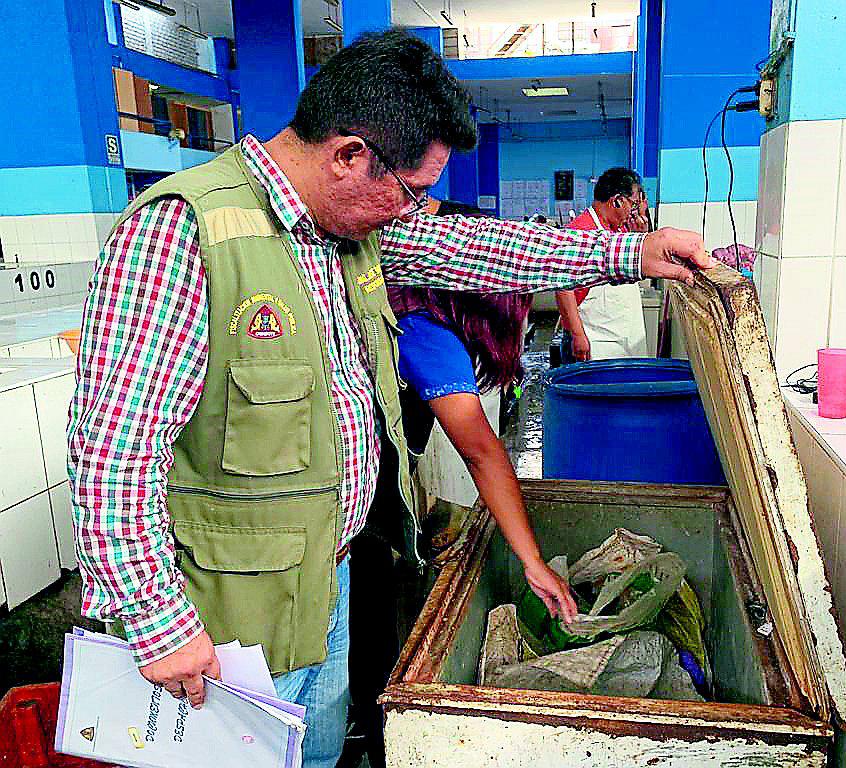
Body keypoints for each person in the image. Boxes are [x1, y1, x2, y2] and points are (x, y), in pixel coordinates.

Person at [67, 30, 709, 768]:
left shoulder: (342, 235)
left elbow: (482, 250)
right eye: (411, 191)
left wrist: (627, 251)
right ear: (348, 154)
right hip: (222, 618)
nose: (415, 212)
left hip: (321, 582)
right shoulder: (183, 232)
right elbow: (114, 454)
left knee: (313, 753)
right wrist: (157, 621)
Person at [347, 201, 576, 766]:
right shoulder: (426, 330)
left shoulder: (400, 308)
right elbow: (481, 450)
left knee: (365, 637)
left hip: (353, 507)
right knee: (368, 643)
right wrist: (533, 562)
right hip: (351, 519)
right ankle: (382, 750)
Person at [556, 168, 650, 363]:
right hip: (594, 340)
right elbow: (563, 289)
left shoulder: (621, 230)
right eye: (633, 205)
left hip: (623, 340)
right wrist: (577, 335)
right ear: (617, 201)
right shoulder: (580, 231)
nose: (633, 212)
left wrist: (640, 237)